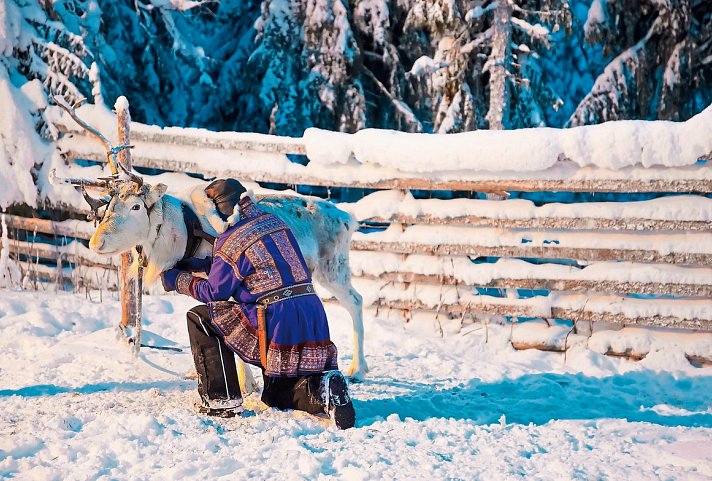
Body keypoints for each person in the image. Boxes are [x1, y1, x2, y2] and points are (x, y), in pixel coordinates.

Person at [161, 179, 355, 429]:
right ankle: (323, 390)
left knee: (201, 319)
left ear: (218, 212)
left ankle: (222, 400)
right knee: (275, 396)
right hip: (310, 312)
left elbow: (214, 291)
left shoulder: (232, 240)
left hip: (275, 317)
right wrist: (196, 266)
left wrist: (176, 279)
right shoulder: (275, 223)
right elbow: (252, 267)